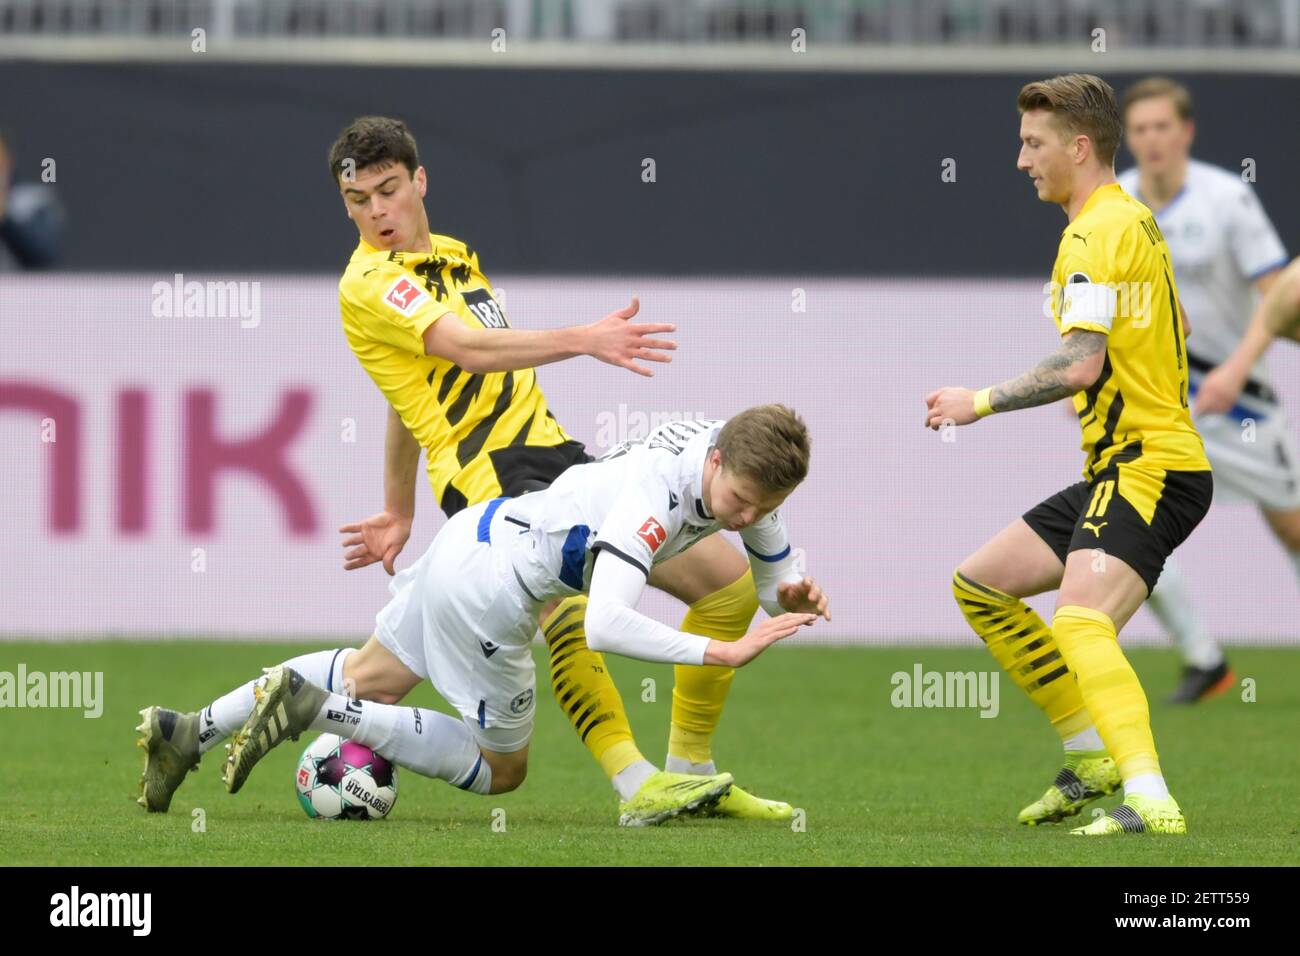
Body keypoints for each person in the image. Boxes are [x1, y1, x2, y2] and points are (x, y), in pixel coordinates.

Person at [210, 409, 829, 826]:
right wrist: (716, 651)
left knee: (367, 674)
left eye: (764, 508)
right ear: (716, 462)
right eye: (741, 503)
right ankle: (313, 710)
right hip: (492, 594)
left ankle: (193, 729)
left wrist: (789, 597)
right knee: (502, 771)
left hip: (470, 539)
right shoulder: (657, 497)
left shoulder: (748, 463)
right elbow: (604, 624)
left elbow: (771, 586)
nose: (747, 519)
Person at [925, 73, 1211, 835]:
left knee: (1080, 622)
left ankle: (1150, 800)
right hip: (1126, 464)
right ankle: (1091, 760)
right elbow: (1174, 326)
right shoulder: (1136, 221)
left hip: (1150, 466)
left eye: (1033, 143)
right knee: (982, 585)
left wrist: (976, 402)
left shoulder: (1089, 234)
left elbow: (1081, 362)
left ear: (1079, 147)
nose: (1021, 160)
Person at [1117, 76, 1291, 703]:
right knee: (1122, 521)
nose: (1152, 140)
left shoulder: (1227, 199)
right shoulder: (1118, 203)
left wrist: (1234, 372)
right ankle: (1204, 659)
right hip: (1155, 400)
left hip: (1239, 397)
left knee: (1291, 527)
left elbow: (1279, 297)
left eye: (1163, 127)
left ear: (1185, 131)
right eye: (1140, 129)